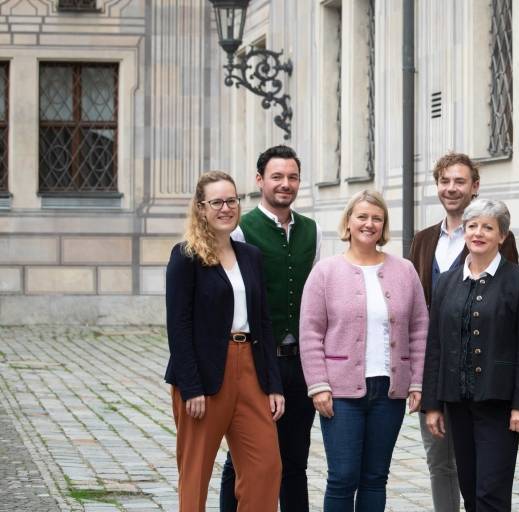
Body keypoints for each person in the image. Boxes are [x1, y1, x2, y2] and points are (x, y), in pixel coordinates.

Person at [299, 190, 428, 511]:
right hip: (340, 392)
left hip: (389, 390)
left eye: (376, 218)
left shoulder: (405, 271)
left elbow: (419, 327)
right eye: (362, 217)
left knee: (375, 477)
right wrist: (318, 385)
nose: (369, 224)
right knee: (342, 477)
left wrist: (417, 381)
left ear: (384, 225)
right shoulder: (325, 272)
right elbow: (311, 331)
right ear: (349, 222)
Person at [164, 171, 284, 512]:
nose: (226, 208)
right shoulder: (186, 257)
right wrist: (191, 387)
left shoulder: (250, 256)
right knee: (196, 472)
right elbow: (179, 327)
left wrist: (273, 384)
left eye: (231, 200)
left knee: (266, 466)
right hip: (204, 376)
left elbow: (263, 322)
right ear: (201, 208)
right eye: (216, 202)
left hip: (251, 370)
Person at [408, 152, 518, 512]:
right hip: (438, 367)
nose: (451, 188)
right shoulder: (423, 240)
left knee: (483, 474)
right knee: (440, 460)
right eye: (445, 181)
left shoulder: (499, 237)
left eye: (459, 181)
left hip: (485, 378)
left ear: (475, 186)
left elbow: (509, 307)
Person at [422, 198, 519, 512]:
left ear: (502, 236)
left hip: (500, 403)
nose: (478, 233)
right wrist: (432, 405)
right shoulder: (448, 281)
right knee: (470, 489)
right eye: (472, 226)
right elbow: (435, 345)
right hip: (456, 403)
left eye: (488, 227)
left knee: (492, 491)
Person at [222, 145, 322, 512]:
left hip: (300, 362)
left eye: (292, 177)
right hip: (256, 359)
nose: (285, 184)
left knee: (295, 460)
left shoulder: (312, 231)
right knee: (244, 457)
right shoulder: (241, 230)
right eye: (277, 177)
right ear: (260, 180)